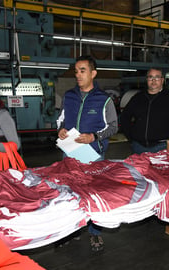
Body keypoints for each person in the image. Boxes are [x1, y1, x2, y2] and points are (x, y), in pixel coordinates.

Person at [56, 55, 118, 252]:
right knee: (70, 193)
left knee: (93, 195)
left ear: (93, 73)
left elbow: (114, 126)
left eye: (82, 70)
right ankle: (71, 231)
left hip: (93, 155)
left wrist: (94, 137)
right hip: (70, 153)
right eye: (76, 71)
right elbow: (61, 119)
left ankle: (95, 233)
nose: (78, 75)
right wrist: (61, 129)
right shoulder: (69, 96)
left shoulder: (104, 99)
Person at [121, 67, 169, 154]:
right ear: (147, 79)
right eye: (150, 77)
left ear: (162, 80)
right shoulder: (138, 97)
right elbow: (125, 116)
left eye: (157, 77)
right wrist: (131, 137)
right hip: (138, 147)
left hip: (163, 146)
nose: (153, 80)